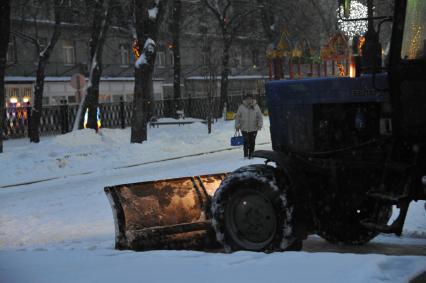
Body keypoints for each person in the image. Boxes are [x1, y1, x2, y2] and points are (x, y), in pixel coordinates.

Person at [235, 93, 263, 159]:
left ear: (252, 99)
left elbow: (260, 117)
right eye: (248, 99)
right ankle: (245, 155)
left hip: (254, 128)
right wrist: (237, 125)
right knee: (246, 142)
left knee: (252, 142)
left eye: (250, 99)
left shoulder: (256, 106)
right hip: (244, 128)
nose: (249, 100)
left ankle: (252, 155)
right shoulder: (241, 107)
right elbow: (238, 117)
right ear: (245, 99)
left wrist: (260, 124)